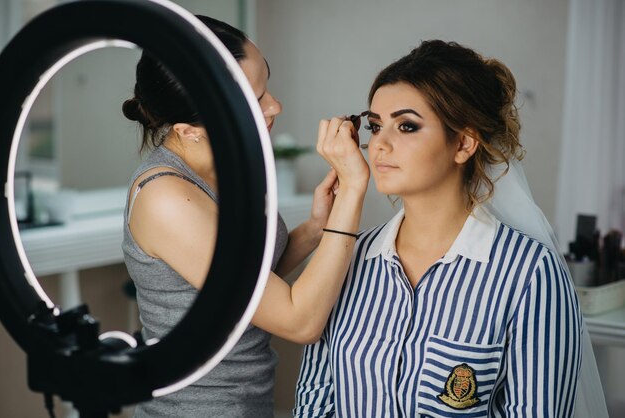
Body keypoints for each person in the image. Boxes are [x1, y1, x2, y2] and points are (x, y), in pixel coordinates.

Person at [294, 40, 606, 417]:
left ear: (463, 143)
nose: (379, 145)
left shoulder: (530, 273)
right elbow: (314, 402)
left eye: (407, 126)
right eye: (375, 127)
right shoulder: (345, 259)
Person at [121, 16, 369, 418]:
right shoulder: (167, 200)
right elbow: (299, 321)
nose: (275, 106)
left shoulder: (232, 163)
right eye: (255, 100)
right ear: (189, 130)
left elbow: (247, 286)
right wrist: (354, 192)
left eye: (266, 85)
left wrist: (314, 229)